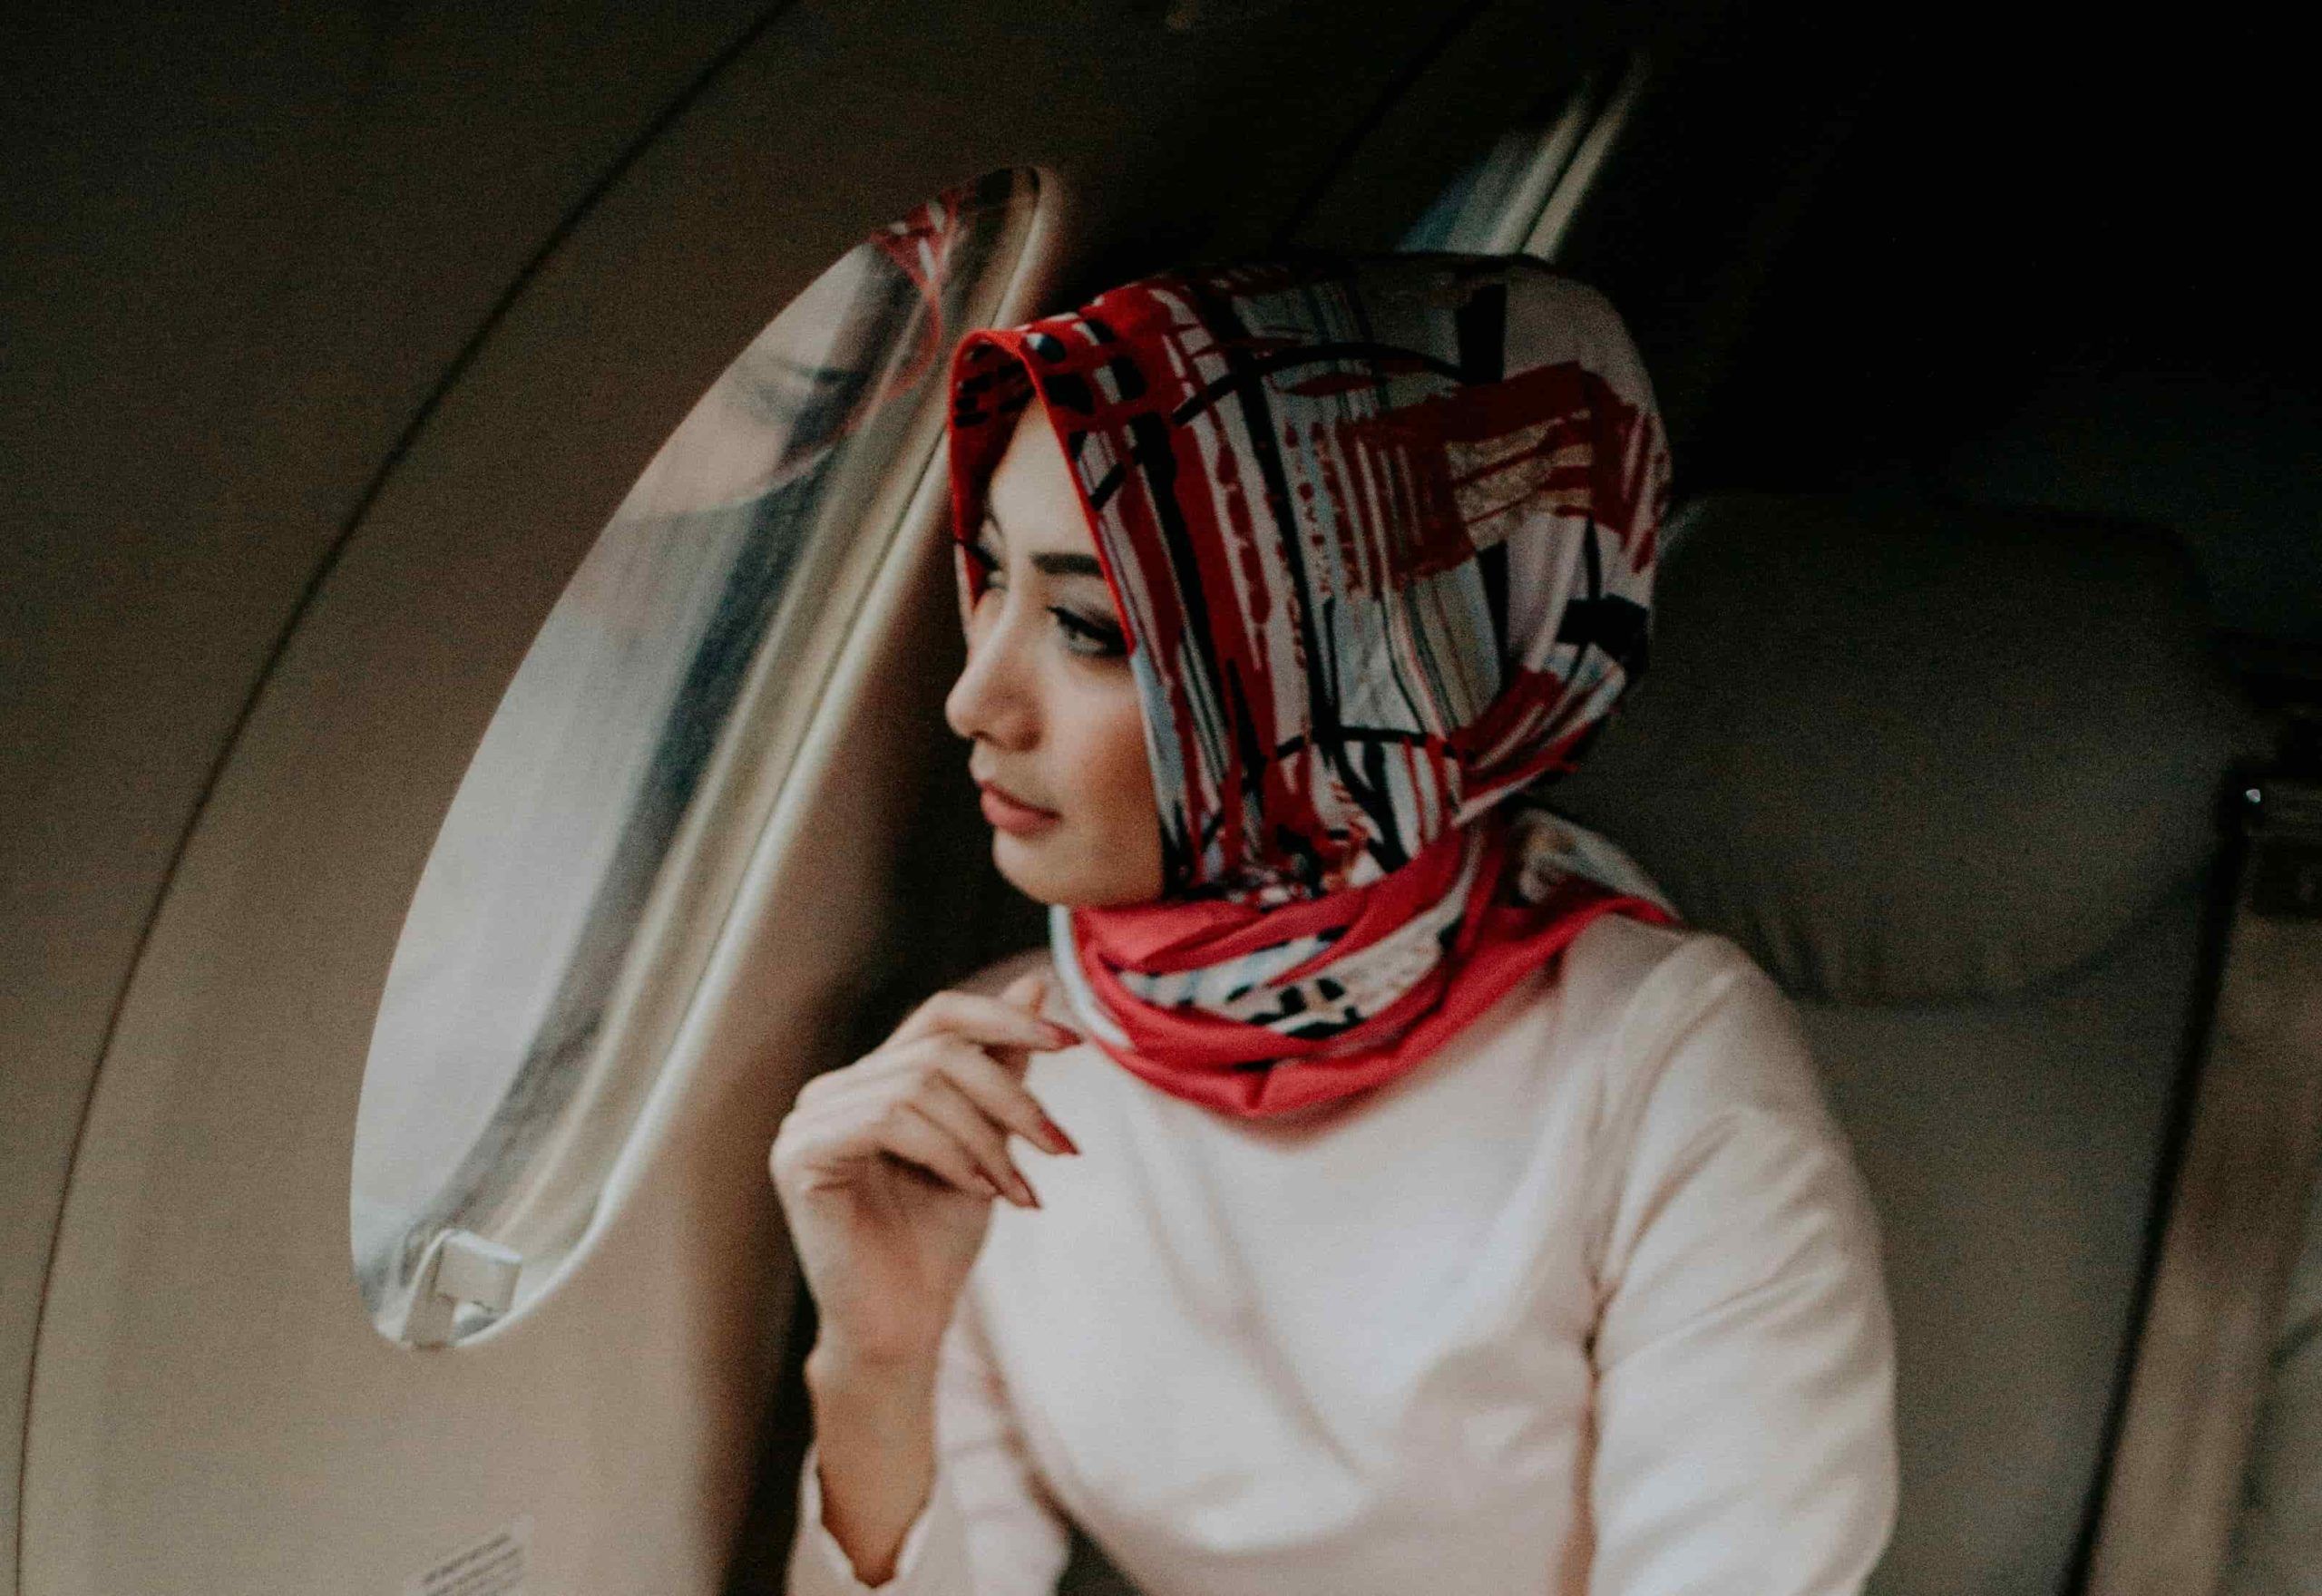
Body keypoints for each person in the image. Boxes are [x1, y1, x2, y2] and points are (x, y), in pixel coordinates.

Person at [769, 252, 1898, 1595]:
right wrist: (878, 1362)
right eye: (989, 578)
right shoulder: (992, 1067)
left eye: (1087, 628)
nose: (974, 698)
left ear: (1342, 670)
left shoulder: (1657, 1057)